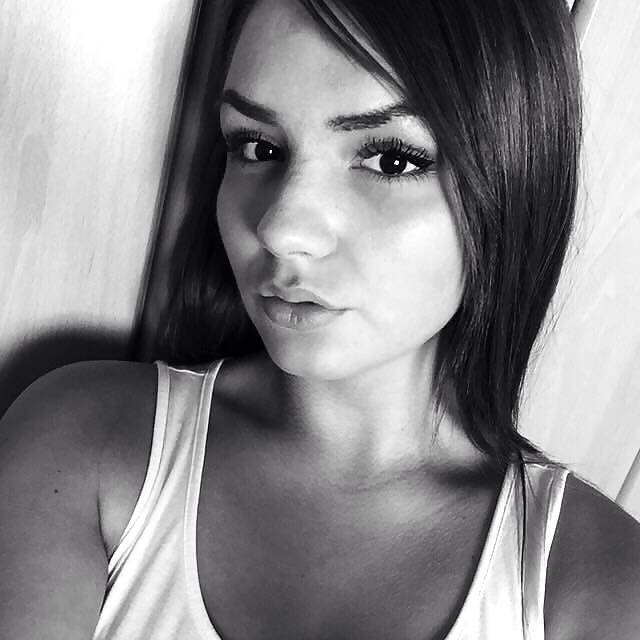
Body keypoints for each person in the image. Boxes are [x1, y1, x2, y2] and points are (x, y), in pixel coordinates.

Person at [1, 0, 639, 638]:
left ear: (514, 184)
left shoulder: (601, 587)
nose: (281, 229)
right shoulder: (85, 441)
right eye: (258, 146)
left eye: (391, 160)